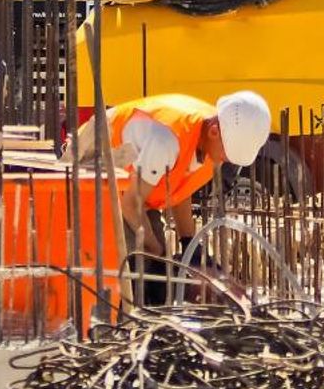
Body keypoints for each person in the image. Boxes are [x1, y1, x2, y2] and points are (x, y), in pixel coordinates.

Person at [76, 91, 272, 305]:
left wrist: (189, 243)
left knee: (157, 267)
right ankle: (122, 318)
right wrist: (157, 252)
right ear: (215, 132)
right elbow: (131, 204)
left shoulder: (208, 138)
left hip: (133, 190)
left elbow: (179, 191)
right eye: (227, 153)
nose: (227, 160)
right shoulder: (167, 140)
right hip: (91, 171)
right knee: (138, 263)